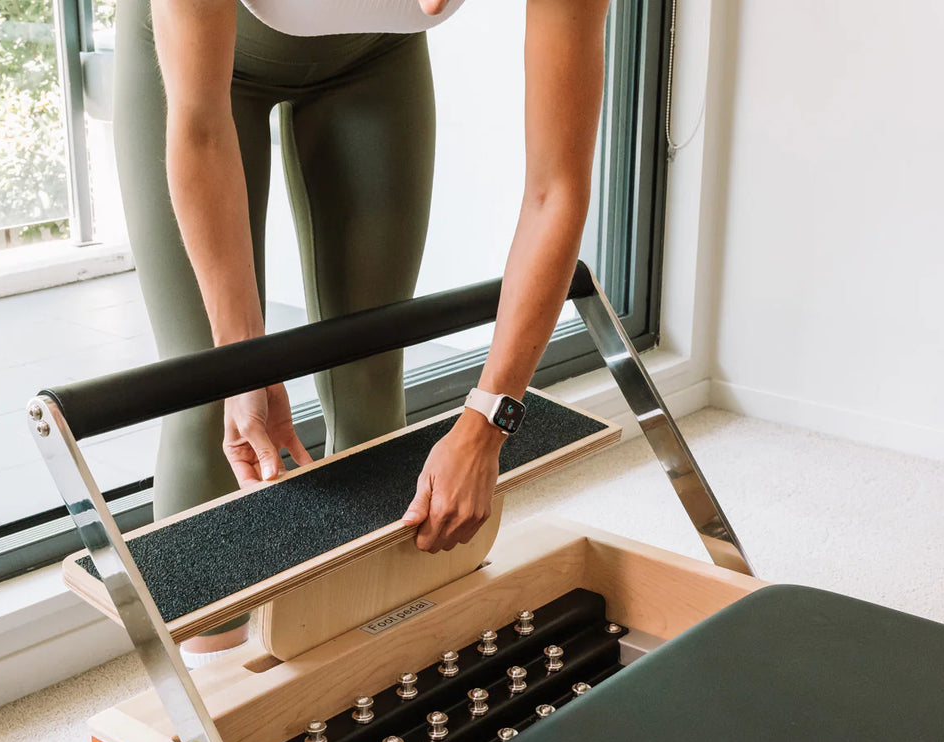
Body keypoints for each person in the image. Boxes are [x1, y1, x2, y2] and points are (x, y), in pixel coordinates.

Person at [115, 0, 609, 664]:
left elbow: (557, 188)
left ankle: (360, 666)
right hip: (195, 71)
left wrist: (489, 420)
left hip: (373, 58)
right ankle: (212, 694)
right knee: (212, 404)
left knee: (371, 385)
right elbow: (199, 129)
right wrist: (245, 362)